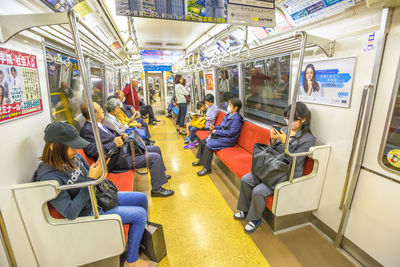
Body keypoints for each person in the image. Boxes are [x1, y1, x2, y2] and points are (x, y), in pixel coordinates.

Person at [32, 122, 150, 267]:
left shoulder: (73, 158)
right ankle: (131, 261)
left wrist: (98, 170)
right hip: (87, 211)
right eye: (71, 146)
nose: (76, 150)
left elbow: (91, 175)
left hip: (97, 198)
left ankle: (139, 239)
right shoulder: (49, 178)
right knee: (140, 215)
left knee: (141, 198)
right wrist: (91, 180)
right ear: (53, 146)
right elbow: (70, 212)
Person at [234, 102, 316, 233]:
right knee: (245, 180)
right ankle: (245, 210)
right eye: (287, 118)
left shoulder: (308, 139)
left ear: (304, 119)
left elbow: (296, 160)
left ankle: (255, 218)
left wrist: (285, 142)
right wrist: (272, 140)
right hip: (271, 166)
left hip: (286, 172)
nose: (288, 122)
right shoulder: (284, 130)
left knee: (258, 191)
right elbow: (270, 150)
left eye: (293, 119)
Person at [79, 102, 174, 197]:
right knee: (155, 158)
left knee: (156, 148)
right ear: (93, 113)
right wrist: (114, 144)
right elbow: (93, 150)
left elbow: (111, 137)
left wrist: (121, 137)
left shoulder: (98, 125)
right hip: (118, 160)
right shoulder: (87, 130)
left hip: (124, 151)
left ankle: (160, 174)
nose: (103, 110)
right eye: (100, 108)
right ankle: (156, 190)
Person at [193, 98, 244, 176]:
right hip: (222, 136)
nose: (228, 107)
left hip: (229, 140)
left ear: (236, 108)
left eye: (230, 105)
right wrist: (214, 128)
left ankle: (207, 168)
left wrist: (217, 132)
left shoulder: (237, 119)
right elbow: (221, 126)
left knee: (209, 145)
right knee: (203, 141)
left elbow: (231, 133)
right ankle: (201, 160)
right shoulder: (228, 115)